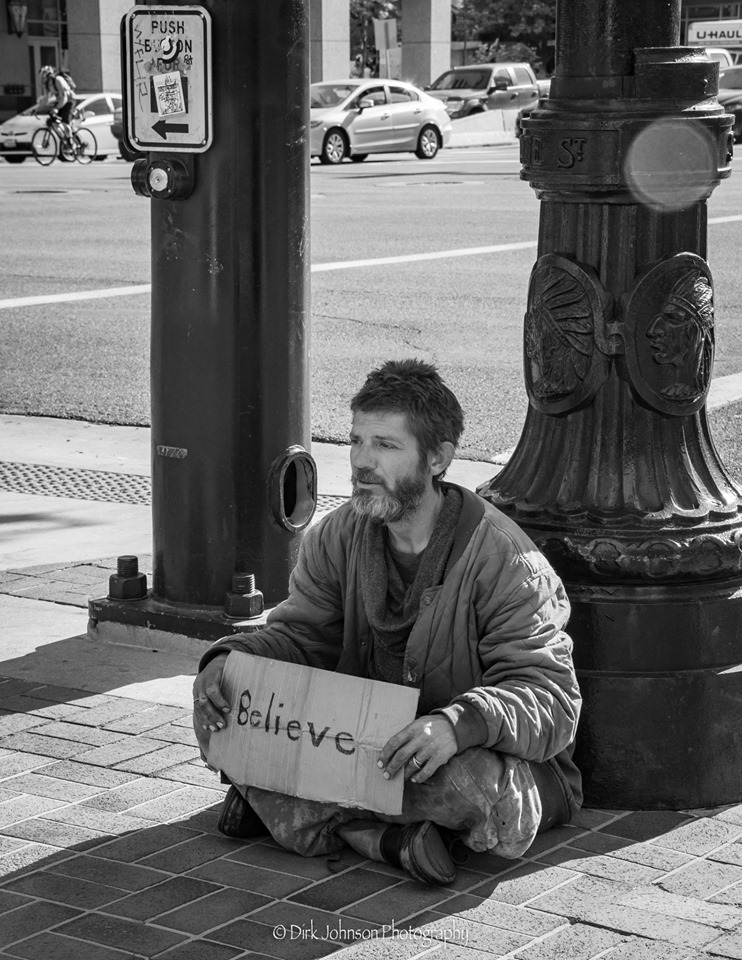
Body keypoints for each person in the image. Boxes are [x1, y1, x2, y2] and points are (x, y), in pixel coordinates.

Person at [193, 359, 582, 886]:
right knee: (225, 714)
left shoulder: (505, 560)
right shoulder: (335, 536)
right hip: (364, 743)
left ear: (438, 458)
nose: (362, 462)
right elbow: (300, 638)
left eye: (386, 445)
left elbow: (552, 700)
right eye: (356, 441)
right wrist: (229, 663)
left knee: (469, 786)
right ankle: (382, 839)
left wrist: (456, 725)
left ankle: (295, 813)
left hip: (464, 755)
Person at [35, 66, 75, 140]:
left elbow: (64, 97)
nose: (43, 79)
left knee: (65, 122)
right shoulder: (46, 84)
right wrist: (38, 109)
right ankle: (64, 140)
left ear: (49, 75)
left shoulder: (58, 80)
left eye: (44, 76)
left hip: (69, 100)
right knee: (52, 122)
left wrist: (56, 108)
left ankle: (71, 142)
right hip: (60, 101)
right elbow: (46, 98)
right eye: (42, 77)